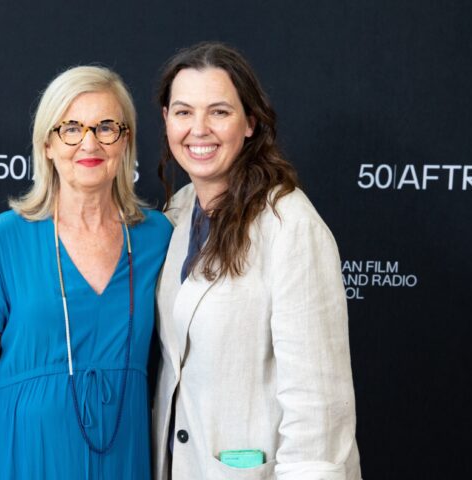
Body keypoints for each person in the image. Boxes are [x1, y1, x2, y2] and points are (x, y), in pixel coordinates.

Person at [151, 42, 362, 479]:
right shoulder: (174, 214)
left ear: (250, 122)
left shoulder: (289, 224)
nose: (199, 129)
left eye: (219, 112)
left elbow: (318, 406)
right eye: (184, 112)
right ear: (166, 120)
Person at [0, 66, 172, 479]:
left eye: (106, 127)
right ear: (48, 144)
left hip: (122, 458)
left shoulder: (158, 238)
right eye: (71, 128)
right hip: (25, 459)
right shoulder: (4, 240)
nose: (89, 142)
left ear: (125, 141)